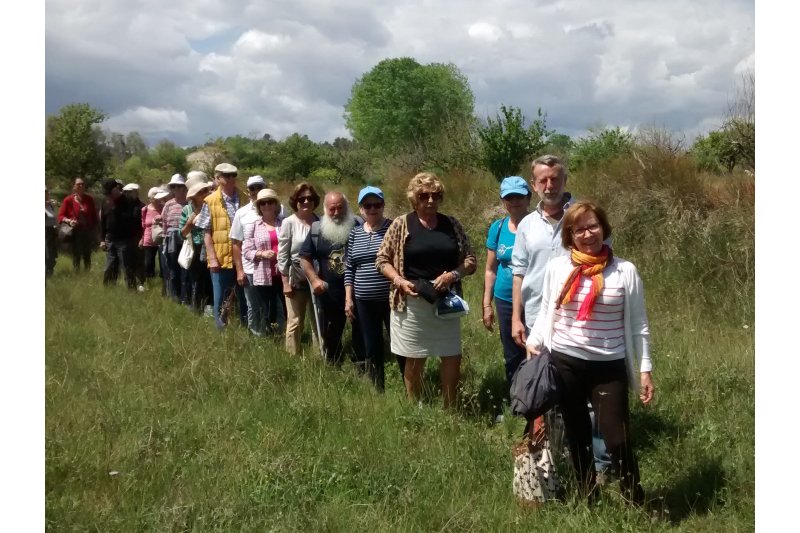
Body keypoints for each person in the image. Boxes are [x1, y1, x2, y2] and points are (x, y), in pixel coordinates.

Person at [525, 200, 654, 505]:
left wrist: (645, 368)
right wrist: (535, 339)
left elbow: (639, 324)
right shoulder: (558, 267)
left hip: (609, 365)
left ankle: (635, 498)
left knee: (617, 438)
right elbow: (547, 310)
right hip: (566, 360)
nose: (587, 234)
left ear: (603, 228)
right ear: (570, 235)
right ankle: (588, 496)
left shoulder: (625, 271)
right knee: (577, 434)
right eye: (579, 229)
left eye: (593, 226)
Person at [510, 154, 613, 477]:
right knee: (546, 389)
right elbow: (519, 272)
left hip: (579, 322)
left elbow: (605, 262)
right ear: (534, 184)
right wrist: (516, 317)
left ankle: (601, 463)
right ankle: (554, 457)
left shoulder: (584, 217)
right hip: (538, 321)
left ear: (565, 179)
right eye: (542, 180)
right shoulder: (526, 225)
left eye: (555, 178)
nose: (549, 185)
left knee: (589, 397)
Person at [375, 172, 476, 408]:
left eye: (435, 195)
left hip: (446, 302)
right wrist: (399, 281)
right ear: (414, 198)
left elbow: (470, 259)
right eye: (424, 196)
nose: (430, 201)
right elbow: (382, 259)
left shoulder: (451, 224)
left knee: (451, 355)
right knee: (415, 355)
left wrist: (453, 274)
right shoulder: (401, 223)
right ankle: (414, 408)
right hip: (412, 302)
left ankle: (451, 409)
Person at [300, 192, 366, 366]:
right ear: (325, 210)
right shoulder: (316, 229)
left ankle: (361, 363)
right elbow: (304, 258)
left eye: (340, 208)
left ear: (346, 207)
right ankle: (333, 364)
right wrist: (314, 280)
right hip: (330, 291)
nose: (336, 212)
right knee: (332, 330)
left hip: (358, 289)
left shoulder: (359, 225)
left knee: (360, 328)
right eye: (332, 209)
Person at [482, 176, 532, 388]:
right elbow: (490, 269)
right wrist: (486, 304)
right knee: (512, 352)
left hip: (533, 300)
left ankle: (540, 401)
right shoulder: (498, 228)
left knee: (536, 348)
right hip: (504, 299)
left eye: (519, 196)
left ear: (528, 198)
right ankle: (518, 400)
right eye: (509, 197)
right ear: (503, 201)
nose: (514, 201)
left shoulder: (538, 226)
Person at [344, 186, 396, 391]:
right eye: (367, 205)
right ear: (360, 208)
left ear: (383, 206)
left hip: (391, 297)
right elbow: (349, 267)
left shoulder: (393, 228)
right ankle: (378, 388)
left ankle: (409, 385)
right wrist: (349, 298)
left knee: (398, 343)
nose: (372, 209)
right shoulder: (355, 233)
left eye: (377, 204)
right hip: (363, 300)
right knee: (371, 345)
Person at [193, 163, 247, 329]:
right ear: (217, 179)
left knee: (244, 298)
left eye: (233, 175)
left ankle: (245, 329)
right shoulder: (210, 201)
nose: (231, 179)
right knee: (221, 298)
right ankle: (222, 332)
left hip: (244, 257)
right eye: (226, 175)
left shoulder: (244, 198)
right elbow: (206, 232)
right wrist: (212, 258)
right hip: (221, 258)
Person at [277, 182, 321, 355]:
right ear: (295, 201)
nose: (306, 202)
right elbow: (282, 255)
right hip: (296, 278)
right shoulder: (289, 223)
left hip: (318, 277)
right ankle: (292, 357)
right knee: (295, 321)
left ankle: (321, 355)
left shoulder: (320, 221)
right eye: (301, 198)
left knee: (318, 319)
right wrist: (285, 282)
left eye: (309, 198)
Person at [242, 188, 285, 335]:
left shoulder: (284, 223)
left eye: (270, 202)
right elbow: (246, 252)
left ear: (276, 204)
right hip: (263, 274)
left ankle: (284, 334)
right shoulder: (253, 226)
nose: (267, 205)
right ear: (259, 206)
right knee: (267, 308)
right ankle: (270, 336)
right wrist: (262, 254)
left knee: (284, 306)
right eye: (263, 203)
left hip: (283, 272)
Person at [230, 175, 269, 335]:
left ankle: (275, 334)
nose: (256, 191)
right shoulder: (242, 213)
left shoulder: (278, 208)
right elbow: (236, 244)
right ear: (248, 192)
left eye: (259, 187)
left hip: (272, 269)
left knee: (273, 303)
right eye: (252, 188)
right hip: (250, 269)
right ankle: (257, 336)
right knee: (253, 304)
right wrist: (239, 270)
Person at [180, 180, 214, 314]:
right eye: (201, 192)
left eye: (206, 190)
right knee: (197, 280)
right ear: (194, 196)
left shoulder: (212, 206)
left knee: (210, 279)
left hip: (211, 247)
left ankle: (210, 307)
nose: (205, 193)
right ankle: (196, 307)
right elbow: (181, 234)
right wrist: (190, 222)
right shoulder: (187, 210)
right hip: (195, 247)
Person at [98, 178, 137, 288]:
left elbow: (132, 219)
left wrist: (117, 211)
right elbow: (103, 222)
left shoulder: (128, 201)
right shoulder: (105, 202)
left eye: (110, 192)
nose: (108, 195)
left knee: (126, 266)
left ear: (116, 189)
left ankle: (131, 289)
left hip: (125, 240)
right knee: (109, 266)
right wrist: (102, 239)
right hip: (110, 239)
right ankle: (108, 288)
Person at [57, 177, 98, 272]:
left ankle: (87, 272)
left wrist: (96, 231)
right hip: (76, 231)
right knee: (77, 254)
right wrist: (69, 221)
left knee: (87, 253)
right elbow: (61, 216)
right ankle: (77, 272)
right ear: (74, 186)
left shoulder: (89, 199)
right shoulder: (68, 200)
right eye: (78, 184)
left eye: (82, 184)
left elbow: (94, 216)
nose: (81, 185)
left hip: (88, 230)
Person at [161, 174, 188, 303]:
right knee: (173, 267)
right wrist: (165, 238)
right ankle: (175, 296)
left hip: (186, 237)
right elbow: (164, 222)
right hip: (171, 238)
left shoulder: (189, 203)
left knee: (185, 266)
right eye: (175, 186)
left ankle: (185, 295)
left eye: (180, 186)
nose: (178, 189)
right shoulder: (168, 204)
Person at [123, 183, 146, 291]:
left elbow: (145, 224)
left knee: (139, 260)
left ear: (136, 192)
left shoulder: (142, 206)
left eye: (129, 192)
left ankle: (140, 282)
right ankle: (130, 284)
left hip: (138, 237)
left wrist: (142, 238)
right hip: (126, 237)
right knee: (127, 261)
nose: (127, 194)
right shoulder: (123, 206)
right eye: (126, 192)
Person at [140, 187, 164, 283]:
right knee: (148, 263)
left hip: (161, 239)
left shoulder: (164, 207)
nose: (157, 199)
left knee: (163, 263)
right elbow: (143, 226)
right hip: (148, 240)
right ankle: (150, 283)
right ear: (150, 198)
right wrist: (141, 239)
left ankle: (164, 283)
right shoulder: (144, 209)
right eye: (154, 197)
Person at [45, 188, 58, 278]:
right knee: (47, 255)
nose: (46, 194)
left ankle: (50, 273)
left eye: (47, 192)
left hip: (52, 233)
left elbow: (54, 218)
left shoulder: (50, 206)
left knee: (52, 255)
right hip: (45, 233)